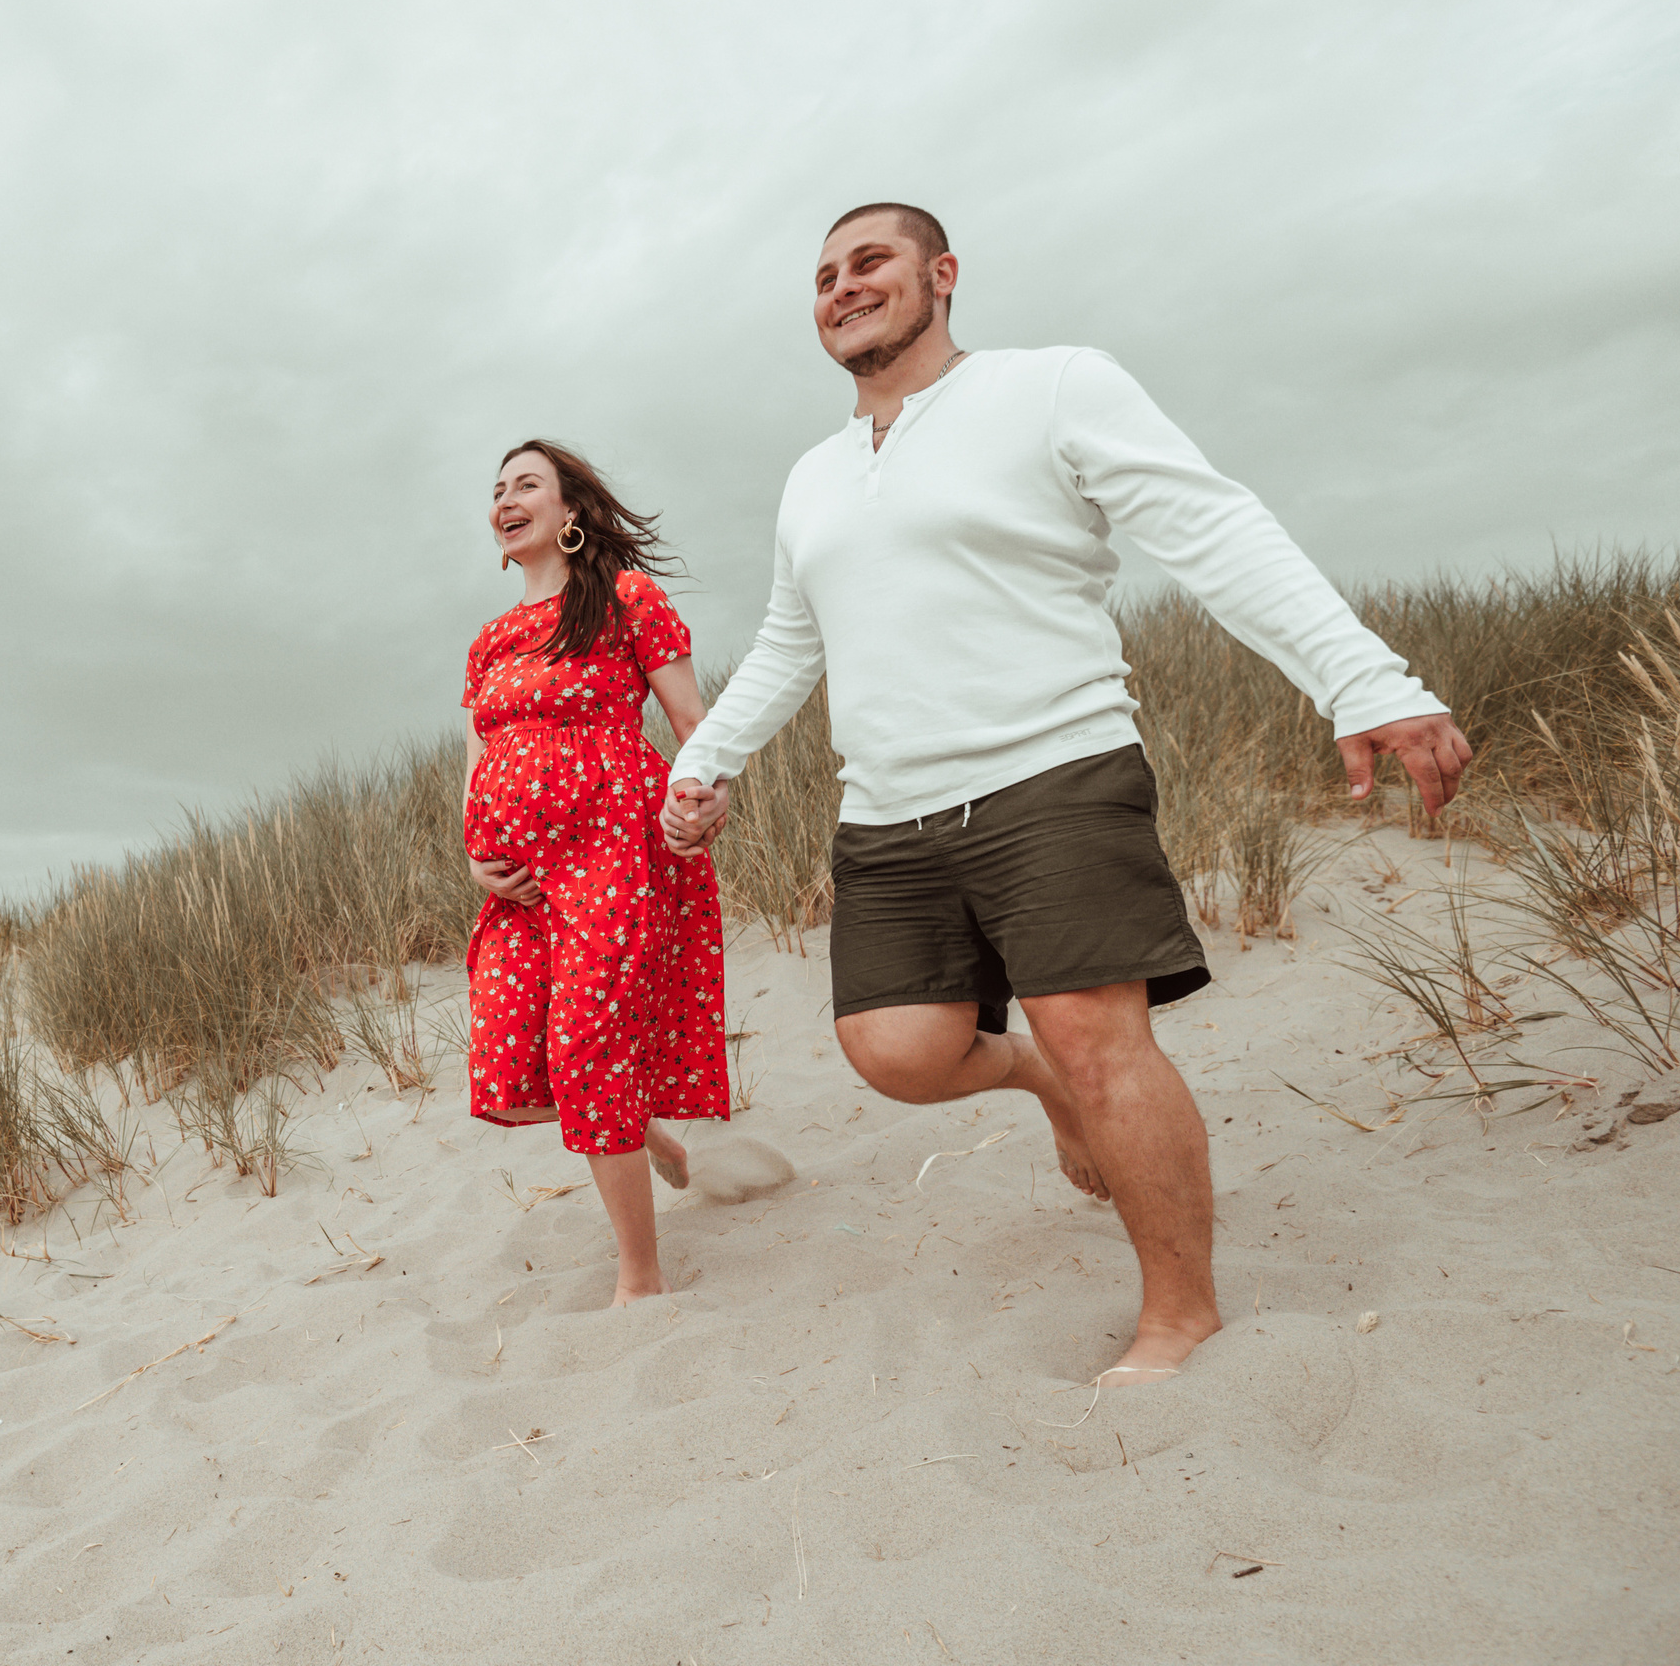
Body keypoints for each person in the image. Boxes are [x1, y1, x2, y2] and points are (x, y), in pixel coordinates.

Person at [660, 204, 1472, 1384]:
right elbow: (792, 640)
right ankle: (1035, 1080)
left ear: (940, 275)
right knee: (894, 1052)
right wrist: (703, 764)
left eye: (870, 262)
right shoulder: (813, 478)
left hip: (1052, 769)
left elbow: (1210, 529)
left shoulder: (1052, 387)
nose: (842, 287)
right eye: (825, 275)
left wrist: (1360, 678)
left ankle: (1178, 1313)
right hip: (885, 812)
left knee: (1097, 1042)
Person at [463, 439, 731, 1306]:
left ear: (571, 511)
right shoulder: (491, 641)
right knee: (513, 1063)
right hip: (519, 884)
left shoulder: (624, 598)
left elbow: (696, 721)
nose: (506, 499)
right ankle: (641, 1128)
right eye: (498, 490)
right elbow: (478, 761)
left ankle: (640, 1278)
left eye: (527, 485)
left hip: (610, 856)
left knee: (585, 1051)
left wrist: (704, 798)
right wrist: (476, 856)